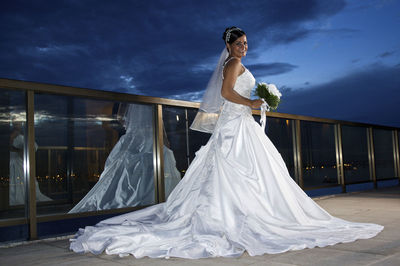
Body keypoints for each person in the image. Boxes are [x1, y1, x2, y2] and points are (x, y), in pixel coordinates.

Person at [70, 27, 383, 259]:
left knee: (253, 172)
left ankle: (244, 212)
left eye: (246, 44)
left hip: (240, 125)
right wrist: (253, 101)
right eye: (239, 44)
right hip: (235, 125)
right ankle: (239, 217)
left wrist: (259, 101)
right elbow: (225, 95)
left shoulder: (236, 63)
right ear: (229, 45)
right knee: (240, 171)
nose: (244, 48)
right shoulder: (232, 65)